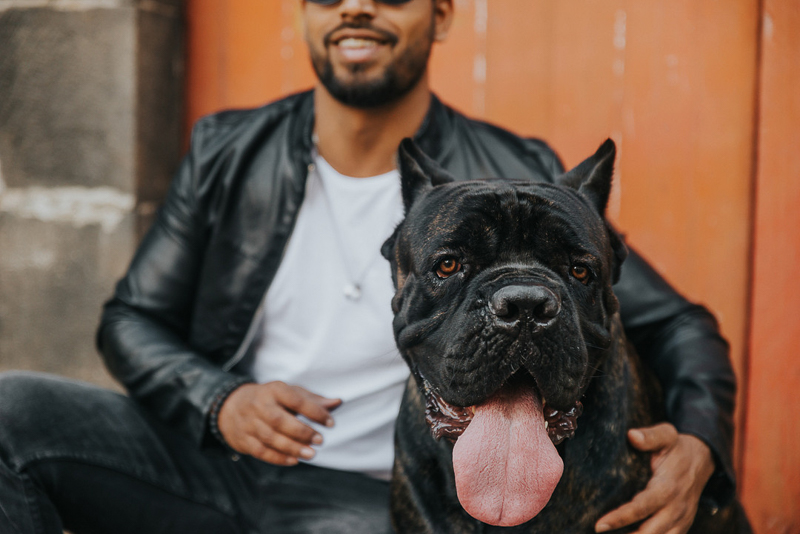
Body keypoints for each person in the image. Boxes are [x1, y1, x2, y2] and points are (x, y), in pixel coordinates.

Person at [0, 1, 736, 533]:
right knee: (11, 413)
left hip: (371, 496)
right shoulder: (228, 151)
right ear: (301, 16)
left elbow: (676, 321)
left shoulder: (521, 177)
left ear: (442, 16)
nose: (356, 8)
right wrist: (218, 400)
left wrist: (699, 443)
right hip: (215, 458)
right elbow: (131, 319)